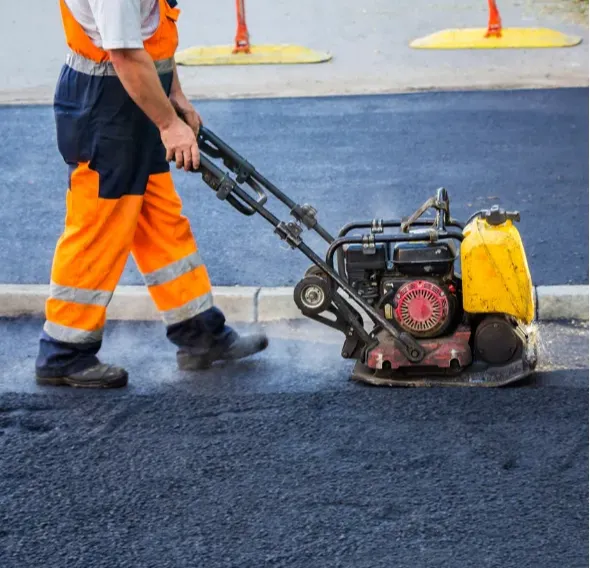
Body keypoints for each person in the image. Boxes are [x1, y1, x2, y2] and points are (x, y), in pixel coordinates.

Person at [35, 0, 268, 388]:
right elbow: (125, 52)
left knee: (161, 220)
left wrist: (174, 93)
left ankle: (199, 333)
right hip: (104, 105)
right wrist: (168, 124)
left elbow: (151, 35)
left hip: (137, 95)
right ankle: (63, 351)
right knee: (99, 227)